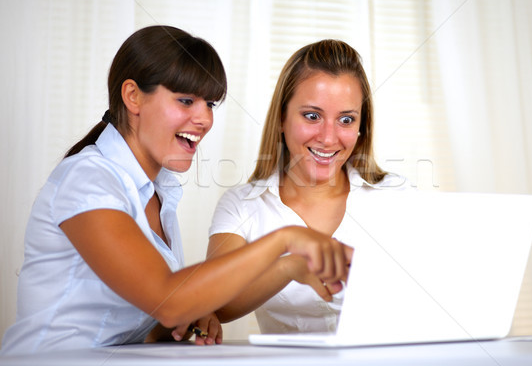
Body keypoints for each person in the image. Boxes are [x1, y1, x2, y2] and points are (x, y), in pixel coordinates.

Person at [0, 26, 352, 355]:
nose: (204, 119)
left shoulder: (158, 192)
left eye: (210, 104)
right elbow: (168, 300)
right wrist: (286, 239)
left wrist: (177, 326)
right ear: (133, 96)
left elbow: (146, 316)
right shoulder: (88, 179)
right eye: (186, 101)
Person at [207, 39, 410, 334]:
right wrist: (288, 266)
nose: (328, 138)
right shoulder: (242, 205)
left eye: (346, 119)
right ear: (281, 118)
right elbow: (215, 302)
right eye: (312, 116)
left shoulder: (397, 196)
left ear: (360, 127)